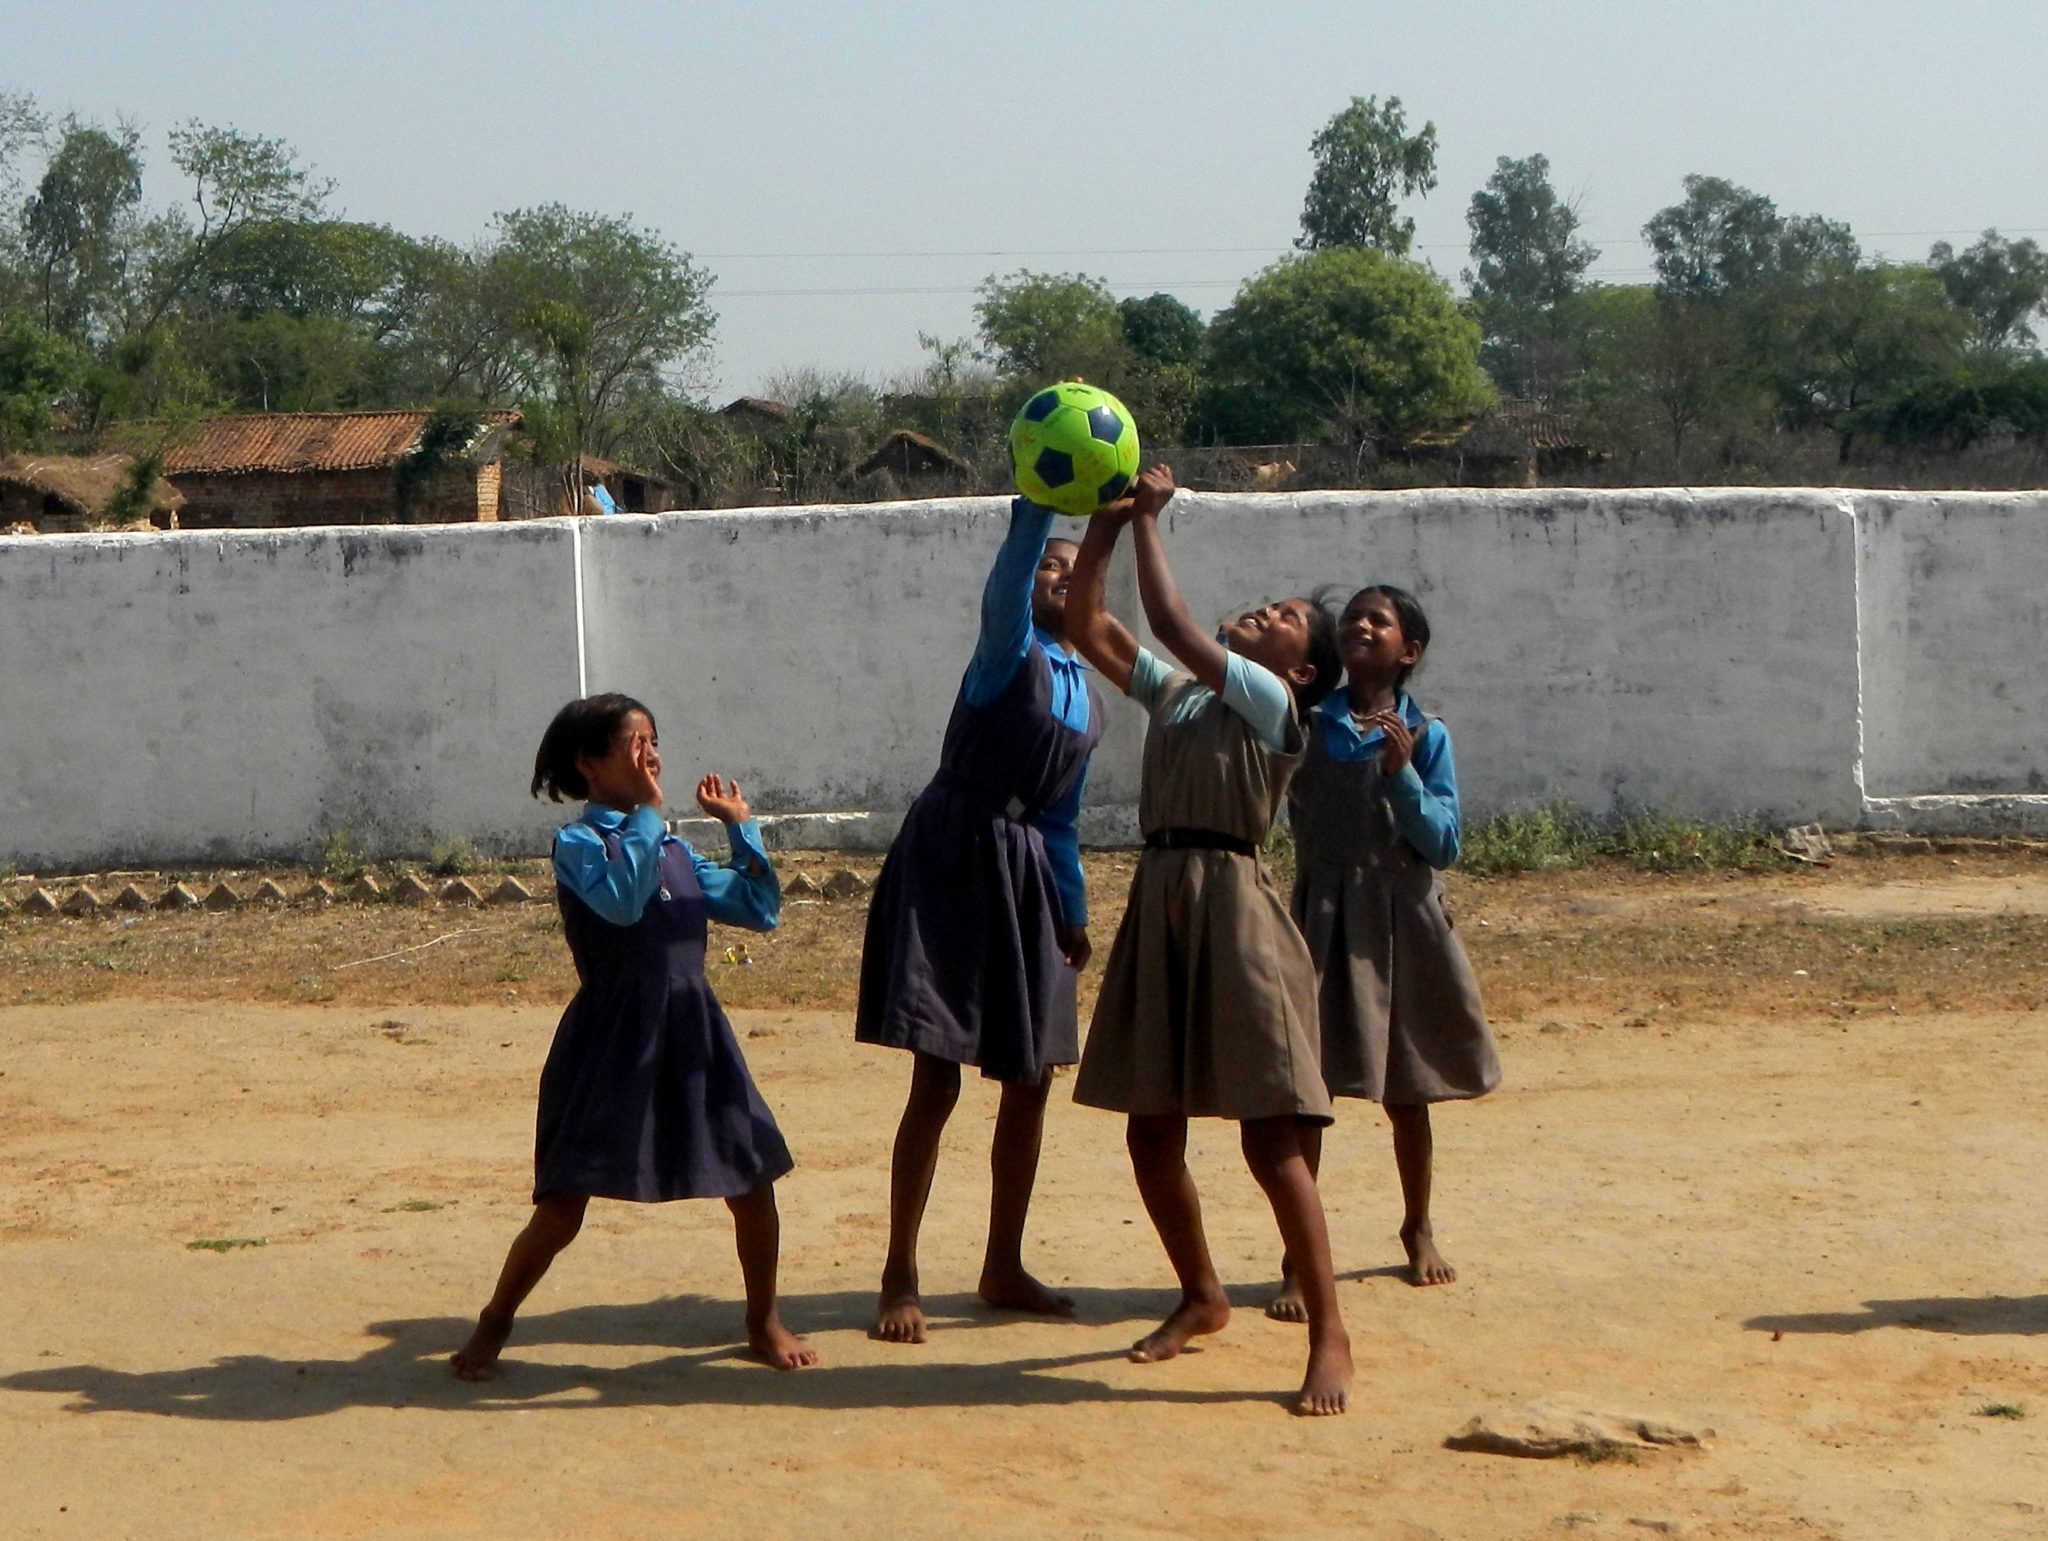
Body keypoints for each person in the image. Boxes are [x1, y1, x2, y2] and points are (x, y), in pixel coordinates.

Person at [1064, 464, 1354, 1417]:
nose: (1257, 614)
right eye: (1261, 607)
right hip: (1162, 897)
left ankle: (1329, 1334)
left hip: (1232, 903)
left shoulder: (1271, 704)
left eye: (1278, 617)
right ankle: (1202, 1292)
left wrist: (1152, 519)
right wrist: (1102, 529)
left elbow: (1173, 622)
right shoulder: (1182, 697)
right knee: (1152, 1130)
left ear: (1300, 670)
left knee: (1272, 1140)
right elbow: (1091, 625)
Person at [450, 693, 815, 1379]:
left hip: (692, 1034)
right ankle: (494, 1320)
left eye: (654, 739)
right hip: (611, 1040)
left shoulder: (673, 847)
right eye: (633, 743)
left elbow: (759, 910)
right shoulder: (579, 844)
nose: (651, 753)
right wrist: (648, 814)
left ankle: (763, 1316)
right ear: (589, 764)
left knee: (752, 1180)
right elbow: (619, 901)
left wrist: (743, 830)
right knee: (563, 1204)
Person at [856, 496, 1105, 1344]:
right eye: (1050, 566)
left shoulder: (1089, 696)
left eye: (1077, 571)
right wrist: (1035, 506)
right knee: (938, 1075)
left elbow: (1063, 819)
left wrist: (1072, 911)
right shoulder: (1007, 656)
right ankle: (900, 1271)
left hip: (1026, 869)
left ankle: (1003, 1261)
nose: (1061, 577)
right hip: (954, 852)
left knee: (1031, 1078)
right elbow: (1004, 583)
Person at [1269, 585, 1499, 1314]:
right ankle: (1297, 1258)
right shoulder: (1306, 724)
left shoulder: (1426, 736)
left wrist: (1402, 782)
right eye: (1355, 618)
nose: (1363, 625)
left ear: (1410, 652)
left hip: (1402, 923)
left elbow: (1446, 844)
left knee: (1409, 1088)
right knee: (1308, 1096)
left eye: (1381, 619)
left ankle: (1417, 1225)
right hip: (1322, 920)